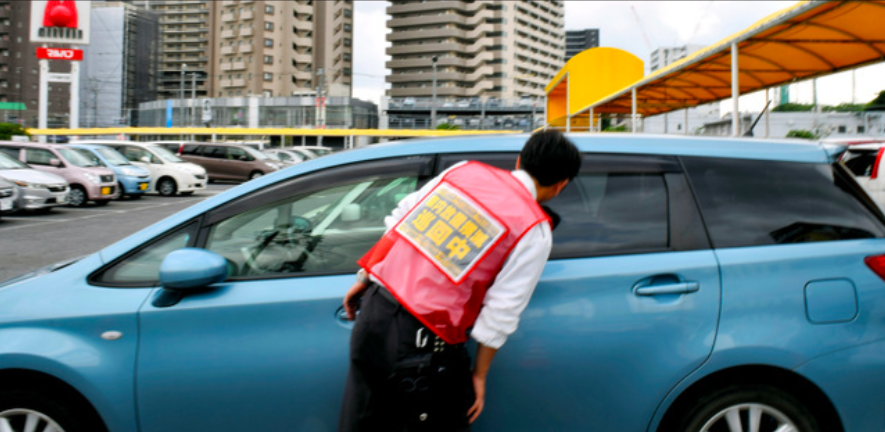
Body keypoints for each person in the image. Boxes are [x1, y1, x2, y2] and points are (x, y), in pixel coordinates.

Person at [339, 130, 581, 432]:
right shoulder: (534, 229)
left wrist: (367, 277)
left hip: (374, 313)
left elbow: (402, 220)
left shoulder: (463, 171)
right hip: (424, 343)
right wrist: (478, 376)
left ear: (519, 160)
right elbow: (501, 313)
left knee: (360, 421)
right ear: (561, 185)